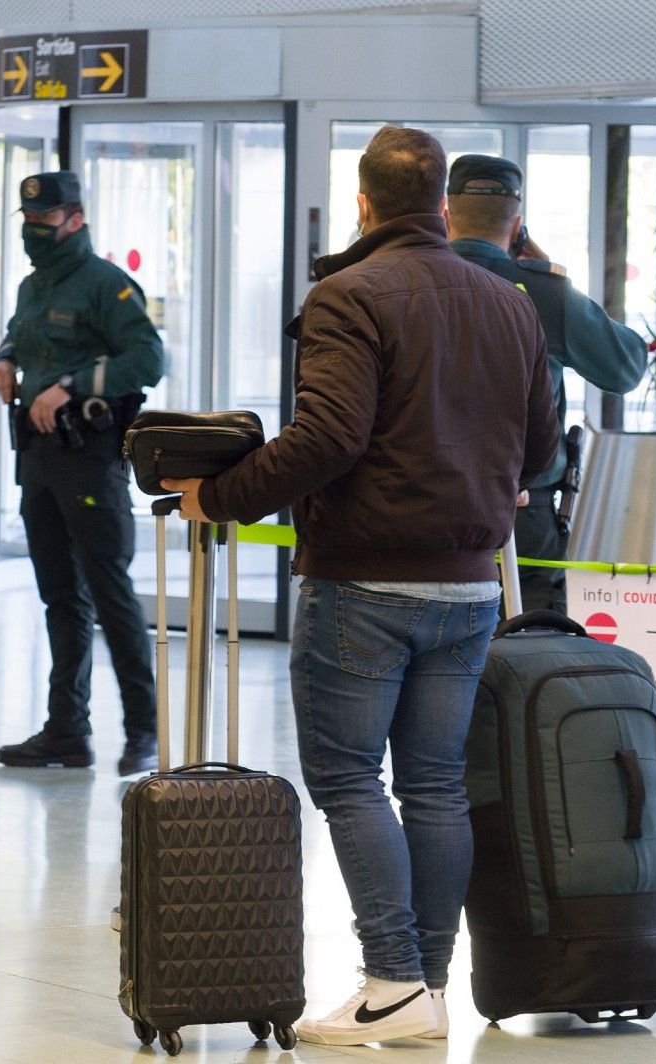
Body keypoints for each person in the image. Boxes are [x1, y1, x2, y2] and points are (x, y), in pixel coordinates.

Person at [163, 126, 560, 1046]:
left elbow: (328, 438)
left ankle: (388, 977)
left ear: (363, 204)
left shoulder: (349, 294)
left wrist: (216, 496)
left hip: (366, 583)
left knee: (348, 779)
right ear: (443, 205)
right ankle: (423, 986)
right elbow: (539, 451)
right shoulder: (508, 302)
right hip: (470, 586)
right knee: (433, 787)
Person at [0, 171, 166, 777]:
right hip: (39, 460)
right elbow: (20, 336)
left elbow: (147, 360)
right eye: (29, 222)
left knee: (111, 596)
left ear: (76, 220)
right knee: (60, 599)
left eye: (47, 221)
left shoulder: (106, 286)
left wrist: (70, 386)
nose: (36, 232)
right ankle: (67, 730)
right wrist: (5, 360)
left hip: (89, 458)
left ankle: (145, 731)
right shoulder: (32, 287)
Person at [445, 155, 647, 615]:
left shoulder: (410, 283)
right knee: (529, 666)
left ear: (444, 212)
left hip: (425, 508)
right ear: (517, 224)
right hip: (522, 514)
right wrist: (560, 287)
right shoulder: (545, 293)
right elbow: (627, 367)